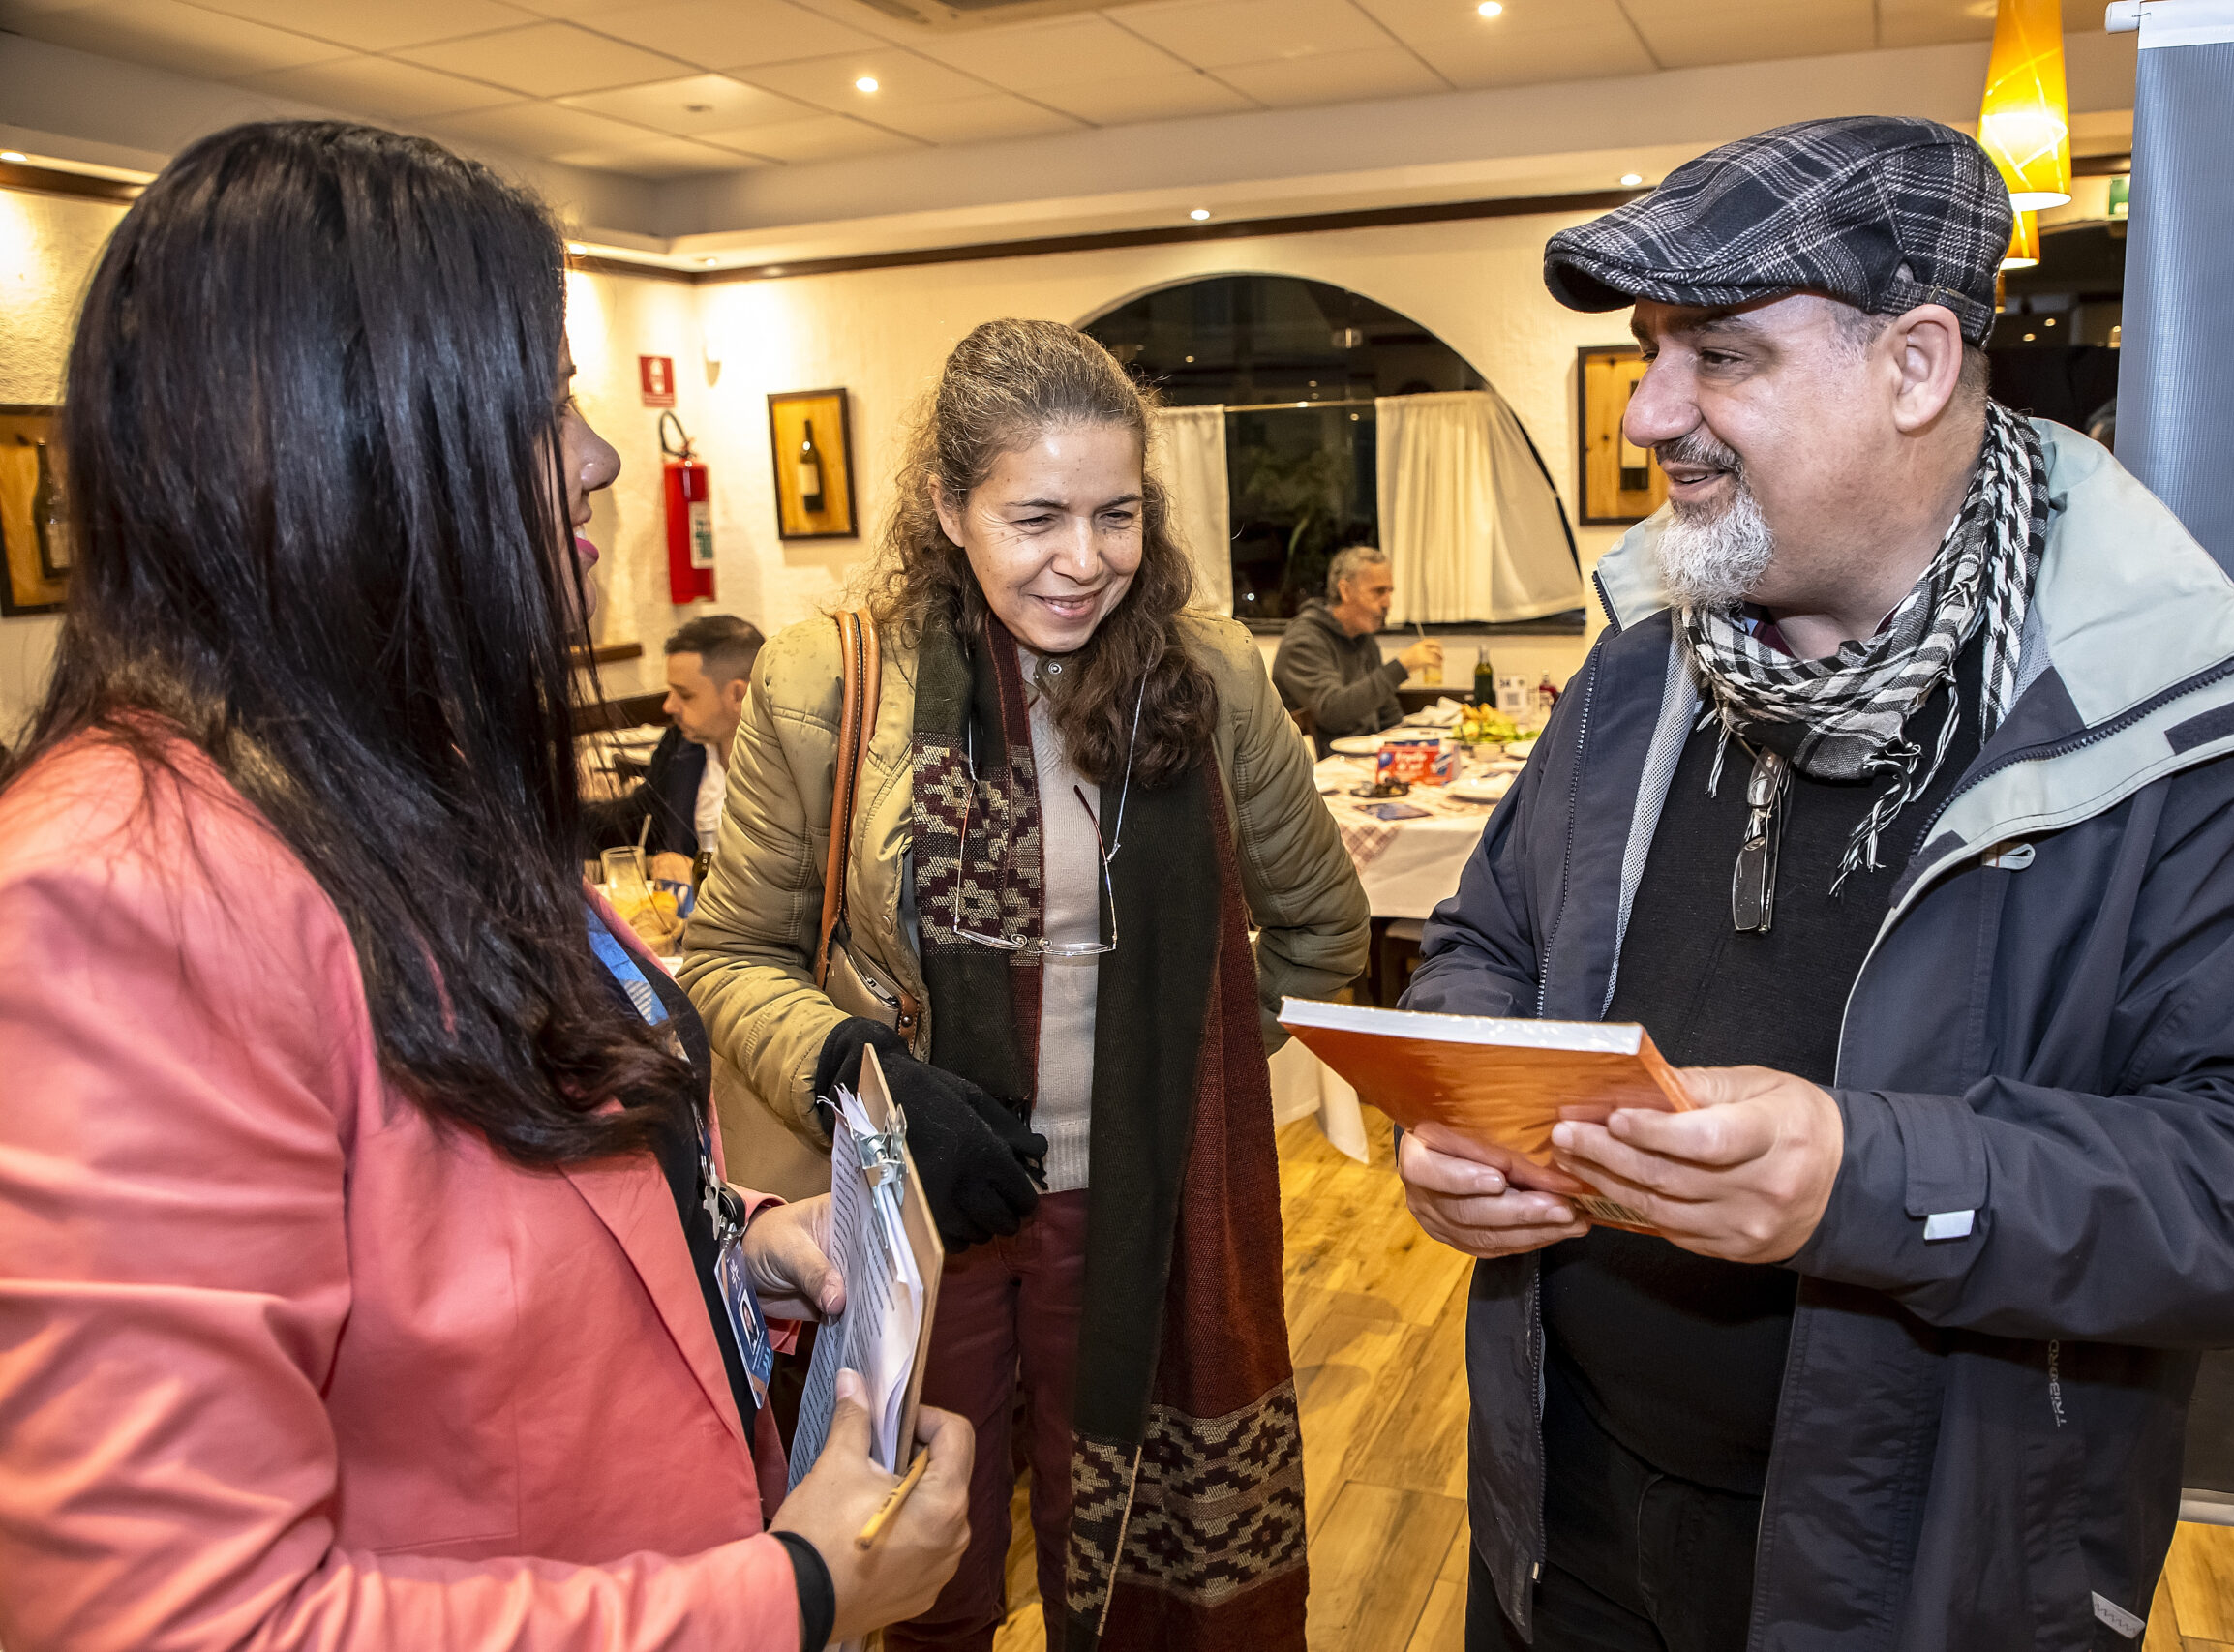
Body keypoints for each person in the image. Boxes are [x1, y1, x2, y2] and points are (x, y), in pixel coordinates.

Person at [1396, 116, 2234, 1652]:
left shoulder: (2185, 720)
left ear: (1916, 365)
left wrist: (1872, 1179)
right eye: (1649, 354)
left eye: (1720, 355)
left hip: (1931, 1580)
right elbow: (1486, 936)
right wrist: (1463, 1107)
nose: (1648, 413)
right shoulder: (1635, 671)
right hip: (1566, 1517)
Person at [0, 121, 971, 1652]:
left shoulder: (385, 785)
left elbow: (471, 1210)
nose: (597, 456)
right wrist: (789, 1592)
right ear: (357, 443)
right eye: (546, 401)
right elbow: (180, 1617)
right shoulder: (123, 899)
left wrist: (729, 1242)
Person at [682, 317, 1369, 1652]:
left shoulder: (1207, 674)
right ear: (949, 508)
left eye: (1117, 514)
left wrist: (1184, 1082)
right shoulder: (836, 677)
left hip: (1142, 1215)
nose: (1084, 558)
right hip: (918, 1216)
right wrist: (856, 1068)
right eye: (1037, 516)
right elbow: (731, 951)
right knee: (916, 1576)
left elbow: (1321, 931)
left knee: (1139, 1578)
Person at [587, 613, 766, 874]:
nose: (668, 706)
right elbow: (637, 817)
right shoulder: (682, 744)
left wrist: (697, 871)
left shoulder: (786, 765)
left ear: (739, 695)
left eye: (685, 694)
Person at [1272, 543, 1443, 754]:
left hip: (1365, 757)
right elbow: (1332, 712)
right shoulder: (1304, 640)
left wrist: (1410, 745)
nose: (1388, 603)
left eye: (1390, 591)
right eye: (1378, 592)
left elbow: (1387, 713)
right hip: (1324, 763)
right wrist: (1402, 666)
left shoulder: (1364, 638)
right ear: (1345, 591)